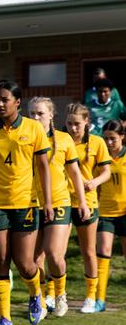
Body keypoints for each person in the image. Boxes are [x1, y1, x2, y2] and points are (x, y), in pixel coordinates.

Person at [0, 80, 52, 325]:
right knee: (0, 261)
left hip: (26, 204)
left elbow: (43, 168)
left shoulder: (34, 128)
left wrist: (46, 201)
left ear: (17, 102)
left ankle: (34, 294)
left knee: (25, 263)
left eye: (4, 99)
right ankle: (4, 317)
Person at [28, 97, 90, 318]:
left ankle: (60, 294)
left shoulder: (64, 139)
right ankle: (40, 300)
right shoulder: (25, 138)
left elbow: (75, 174)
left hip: (60, 202)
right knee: (34, 260)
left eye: (40, 113)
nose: (35, 117)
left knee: (54, 254)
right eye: (32, 113)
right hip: (31, 204)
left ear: (51, 115)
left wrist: (82, 202)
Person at [64, 102, 111, 313]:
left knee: (88, 252)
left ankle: (91, 297)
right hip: (62, 202)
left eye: (77, 124)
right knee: (55, 253)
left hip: (87, 203)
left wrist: (94, 182)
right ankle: (56, 295)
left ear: (86, 122)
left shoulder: (98, 142)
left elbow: (106, 172)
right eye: (69, 124)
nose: (73, 128)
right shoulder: (60, 140)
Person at [95, 120, 126, 313]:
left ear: (122, 136)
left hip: (125, 212)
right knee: (103, 252)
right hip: (105, 212)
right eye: (105, 138)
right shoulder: (101, 156)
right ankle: (99, 299)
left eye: (112, 139)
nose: (108, 143)